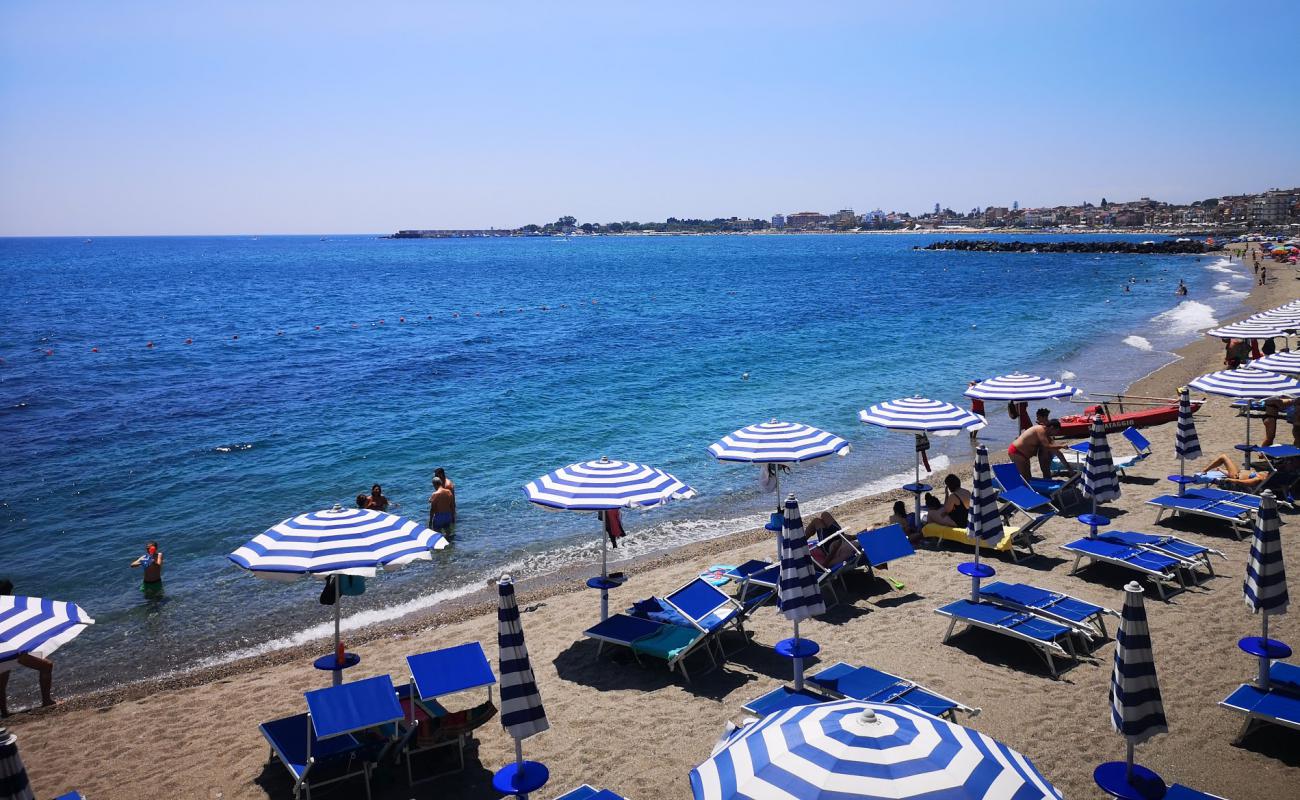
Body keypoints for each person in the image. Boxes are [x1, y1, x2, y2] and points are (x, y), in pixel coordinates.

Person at [0, 579, 56, 715]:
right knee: (46, 666)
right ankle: (47, 701)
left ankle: (5, 712)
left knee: (2, 681)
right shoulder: (7, 607)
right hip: (14, 651)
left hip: (7, 650)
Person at [1007, 408, 1074, 480]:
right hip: (1017, 452)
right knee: (1025, 479)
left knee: (1028, 477)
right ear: (1051, 428)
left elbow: (1056, 451)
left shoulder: (1045, 432)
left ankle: (1045, 479)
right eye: (1056, 432)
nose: (1056, 434)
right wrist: (1062, 446)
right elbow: (1047, 446)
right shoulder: (1040, 430)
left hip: (1024, 455)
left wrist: (1069, 468)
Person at [1198, 453, 1270, 489]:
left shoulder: (1260, 479)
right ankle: (1220, 469)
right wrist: (1221, 470)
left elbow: (1246, 483)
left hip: (1236, 477)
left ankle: (1205, 470)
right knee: (1225, 463)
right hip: (1237, 473)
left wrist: (1232, 480)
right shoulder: (1268, 474)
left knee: (1223, 457)